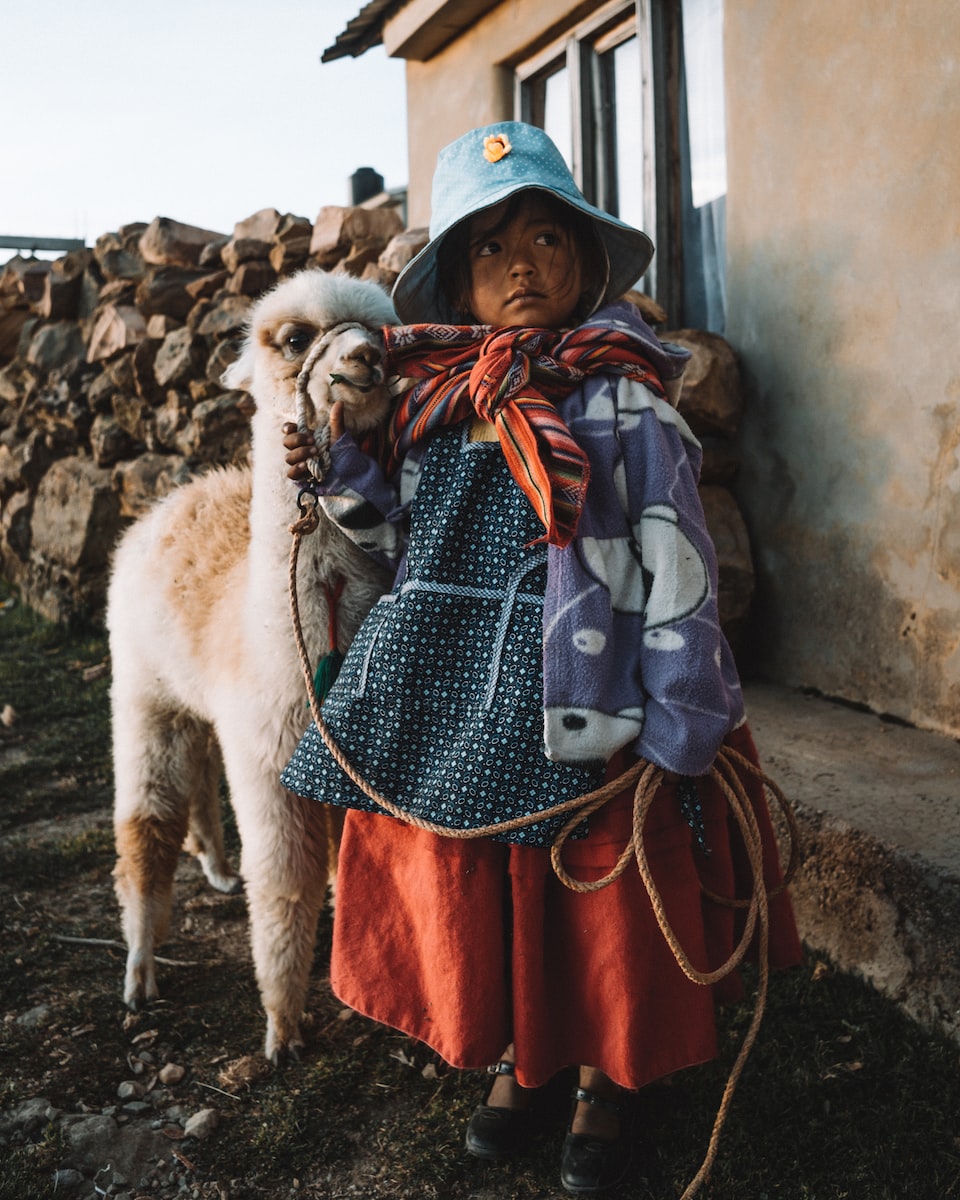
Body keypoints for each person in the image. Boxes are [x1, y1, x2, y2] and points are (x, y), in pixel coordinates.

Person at [281, 122, 800, 1196]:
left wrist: (680, 719)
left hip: (587, 687)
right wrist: (337, 477)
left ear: (585, 261)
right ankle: (526, 1055)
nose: (521, 265)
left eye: (548, 239)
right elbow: (395, 546)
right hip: (461, 699)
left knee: (597, 881)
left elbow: (677, 566)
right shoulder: (432, 409)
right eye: (490, 248)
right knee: (500, 879)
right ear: (460, 287)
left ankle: (610, 1075)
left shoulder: (626, 402)